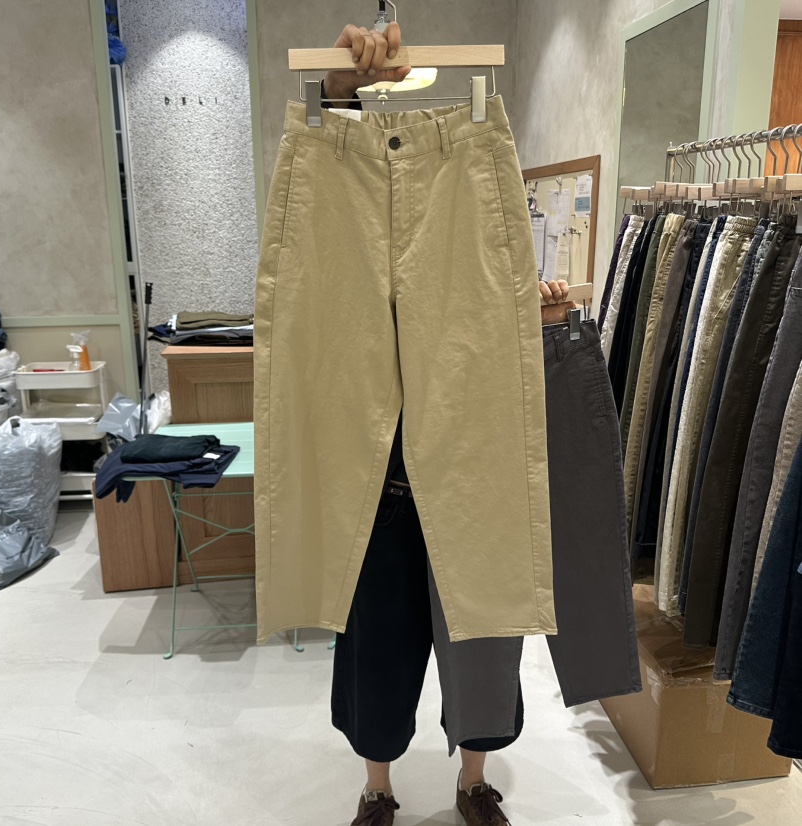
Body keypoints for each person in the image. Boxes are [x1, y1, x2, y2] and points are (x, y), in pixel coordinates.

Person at [322, 22, 573, 826]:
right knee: (375, 644)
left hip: (472, 464)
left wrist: (541, 321)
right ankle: (377, 787)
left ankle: (473, 780)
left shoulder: (480, 216)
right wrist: (340, 97)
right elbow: (334, 209)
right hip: (380, 477)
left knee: (485, 634)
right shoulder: (349, 233)